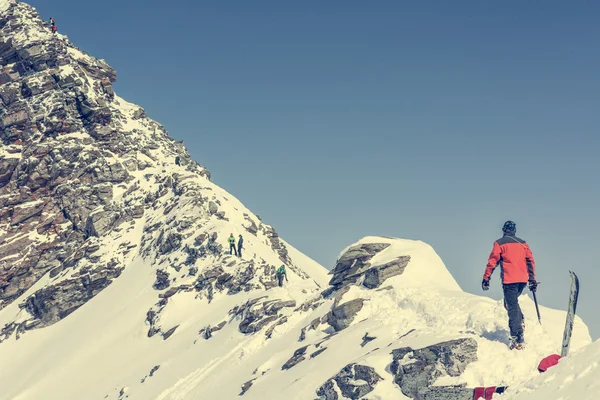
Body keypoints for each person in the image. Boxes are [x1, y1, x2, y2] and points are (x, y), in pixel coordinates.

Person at [482, 221, 537, 350]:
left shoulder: (499, 243)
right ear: (514, 230)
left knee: (511, 306)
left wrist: (486, 278)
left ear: (503, 230)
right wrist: (532, 280)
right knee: (510, 303)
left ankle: (517, 336)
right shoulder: (523, 243)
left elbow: (492, 261)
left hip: (509, 280)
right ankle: (520, 321)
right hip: (522, 280)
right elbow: (530, 261)